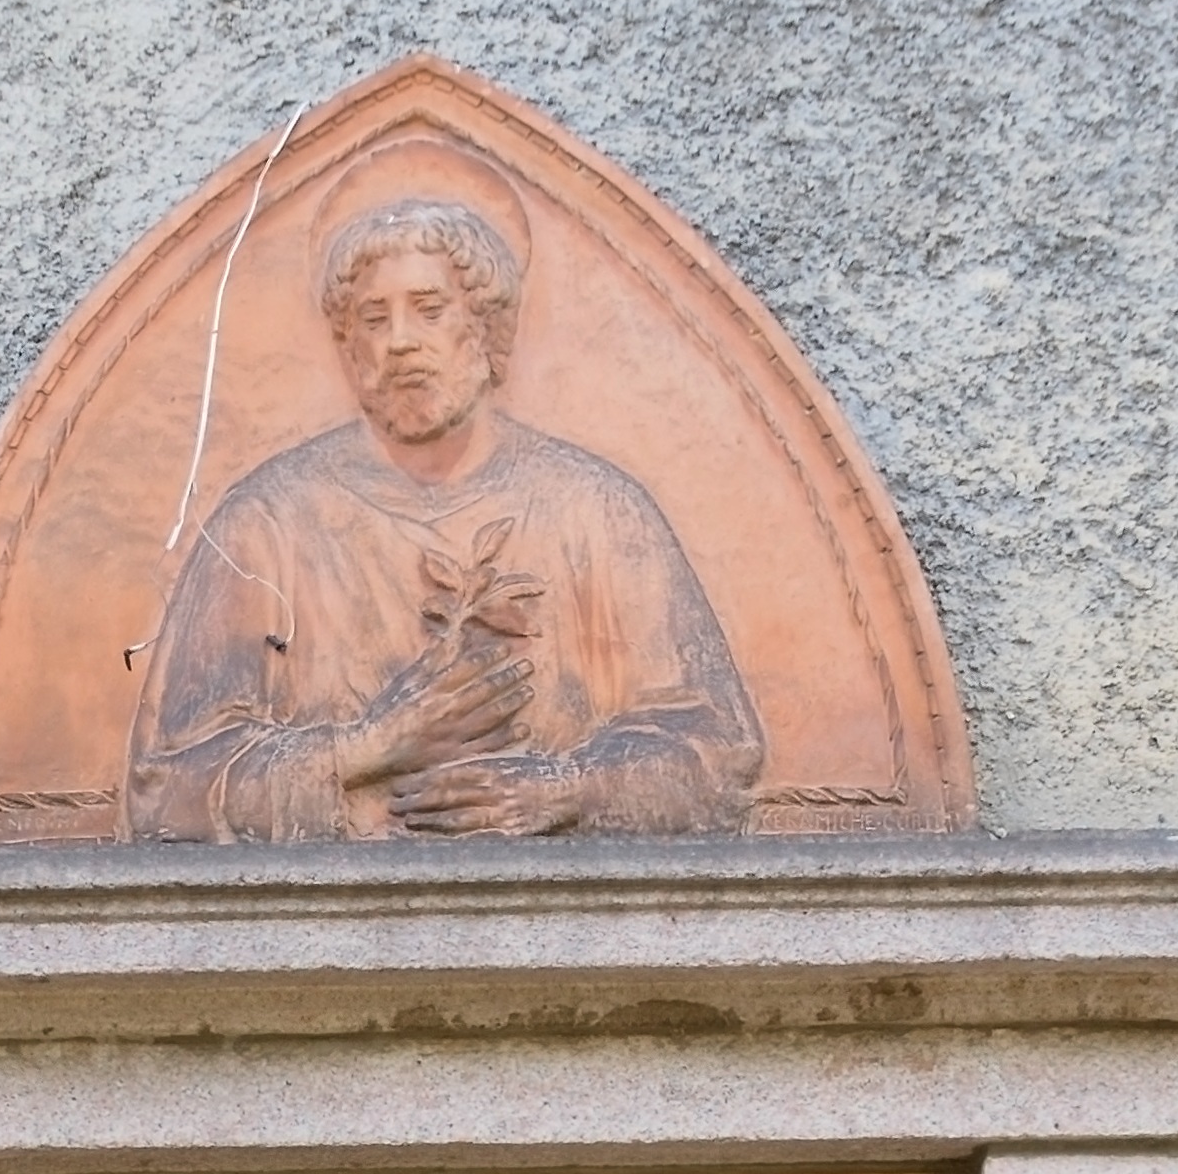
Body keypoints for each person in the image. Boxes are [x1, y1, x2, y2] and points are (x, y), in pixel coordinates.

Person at [123, 198, 764, 842]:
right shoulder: (264, 526)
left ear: (487, 328)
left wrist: (568, 787)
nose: (400, 341)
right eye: (373, 318)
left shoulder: (597, 511)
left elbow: (718, 757)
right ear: (348, 347)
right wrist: (365, 748)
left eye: (429, 309)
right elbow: (166, 793)